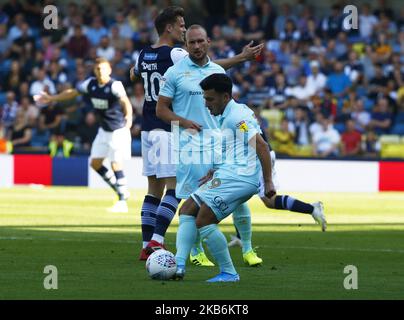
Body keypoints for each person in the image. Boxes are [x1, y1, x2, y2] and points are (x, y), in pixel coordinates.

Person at [131, 7, 264, 262]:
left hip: (149, 128)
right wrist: (240, 58)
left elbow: (134, 73)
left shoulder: (143, 54)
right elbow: (208, 70)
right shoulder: (177, 54)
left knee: (152, 191)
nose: (184, 30)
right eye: (181, 26)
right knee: (177, 191)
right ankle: (158, 241)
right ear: (169, 28)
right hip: (173, 130)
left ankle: (147, 242)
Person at [171, 73, 275, 282]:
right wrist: (216, 169)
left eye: (210, 99)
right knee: (187, 209)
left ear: (225, 97)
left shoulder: (237, 118)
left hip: (239, 178)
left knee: (204, 219)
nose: (206, 104)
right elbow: (235, 147)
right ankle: (179, 265)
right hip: (228, 173)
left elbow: (262, 147)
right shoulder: (230, 114)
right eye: (205, 99)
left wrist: (268, 181)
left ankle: (229, 272)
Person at [33, 57, 133, 213]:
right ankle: (121, 190)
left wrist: (129, 118)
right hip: (103, 130)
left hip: (117, 130)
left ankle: (122, 201)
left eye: (103, 68)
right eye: (97, 69)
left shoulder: (115, 85)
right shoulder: (90, 84)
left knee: (115, 164)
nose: (100, 71)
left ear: (109, 70)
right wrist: (52, 98)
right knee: (95, 164)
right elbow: (72, 92)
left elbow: (125, 102)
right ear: (94, 70)